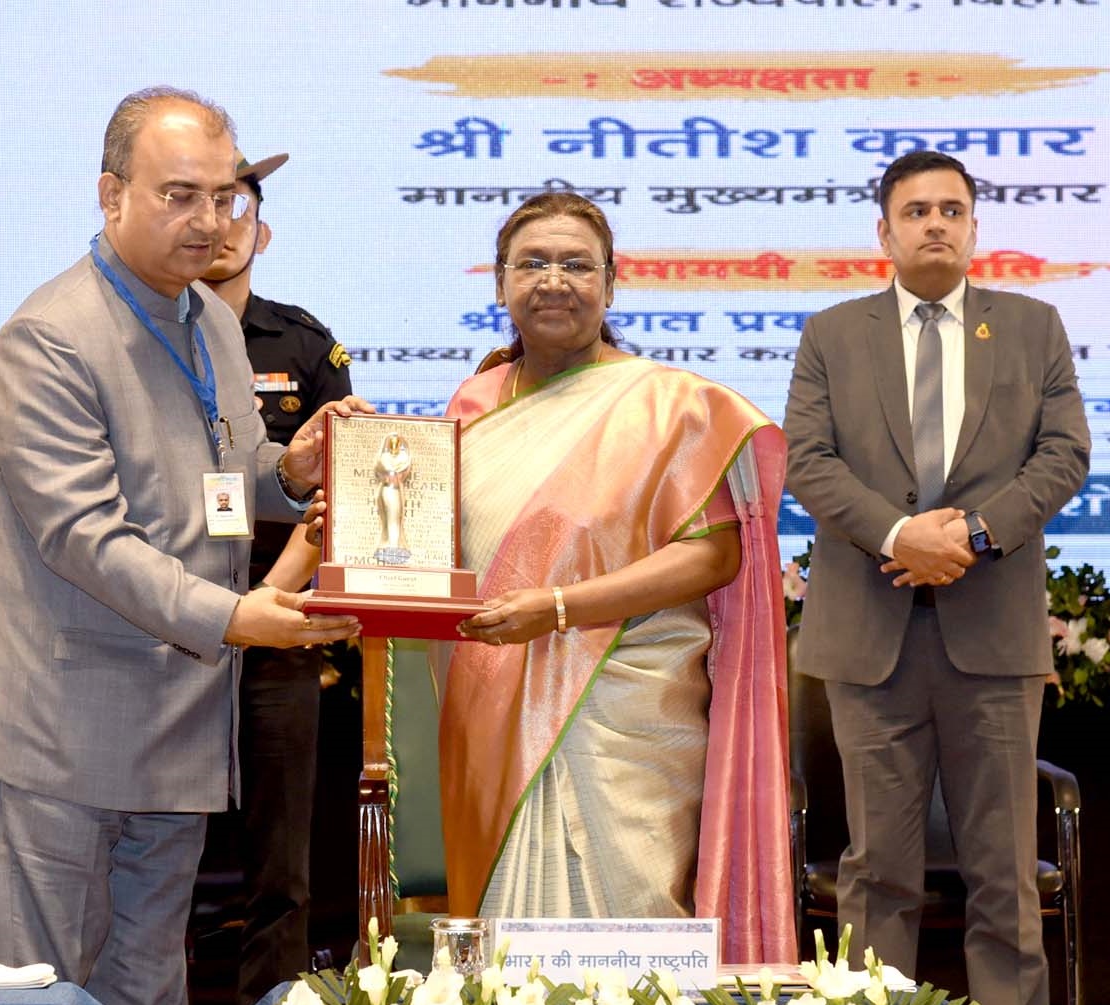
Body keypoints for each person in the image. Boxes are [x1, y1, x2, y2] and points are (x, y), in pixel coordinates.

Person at [0, 86, 351, 1005]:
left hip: (184, 718)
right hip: (66, 725)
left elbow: (225, 489)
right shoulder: (48, 338)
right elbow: (90, 539)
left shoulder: (214, 325)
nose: (205, 219)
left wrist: (297, 468)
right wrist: (237, 615)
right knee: (50, 990)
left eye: (223, 194)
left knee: (147, 976)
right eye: (178, 194)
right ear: (111, 194)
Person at [273, 191, 795, 963]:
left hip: (628, 710)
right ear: (500, 285)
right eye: (533, 263)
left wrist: (558, 608)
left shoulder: (675, 407)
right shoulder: (474, 404)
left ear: (612, 284)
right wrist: (350, 527)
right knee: (504, 954)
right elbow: (433, 544)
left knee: (630, 934)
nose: (555, 280)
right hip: (487, 703)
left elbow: (713, 556)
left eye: (577, 264)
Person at [779, 150, 1093, 1005]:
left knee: (1003, 861)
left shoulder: (1031, 327)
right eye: (914, 211)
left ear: (973, 227)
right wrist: (899, 535)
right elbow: (805, 460)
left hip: (990, 633)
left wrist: (972, 534)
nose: (934, 226)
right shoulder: (833, 334)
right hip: (867, 632)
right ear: (883, 232)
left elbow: (1064, 453)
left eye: (951, 210)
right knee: (879, 867)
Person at [203, 151, 359, 1000]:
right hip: (171, 617)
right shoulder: (146, 342)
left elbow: (348, 478)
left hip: (282, 616)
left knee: (282, 853)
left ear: (260, 230)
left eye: (236, 210)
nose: (217, 227)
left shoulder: (301, 341)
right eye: (199, 203)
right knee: (163, 850)